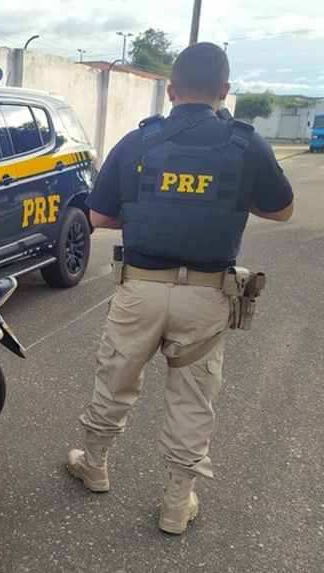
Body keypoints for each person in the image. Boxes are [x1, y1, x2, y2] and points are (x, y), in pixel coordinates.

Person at [65, 42, 294, 534]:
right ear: (224, 90)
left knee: (115, 382)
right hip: (208, 297)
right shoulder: (246, 143)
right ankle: (176, 503)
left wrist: (154, 209)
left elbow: (99, 215)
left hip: (139, 291)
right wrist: (224, 201)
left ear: (169, 91)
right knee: (192, 399)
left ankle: (96, 466)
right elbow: (282, 210)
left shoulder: (137, 142)